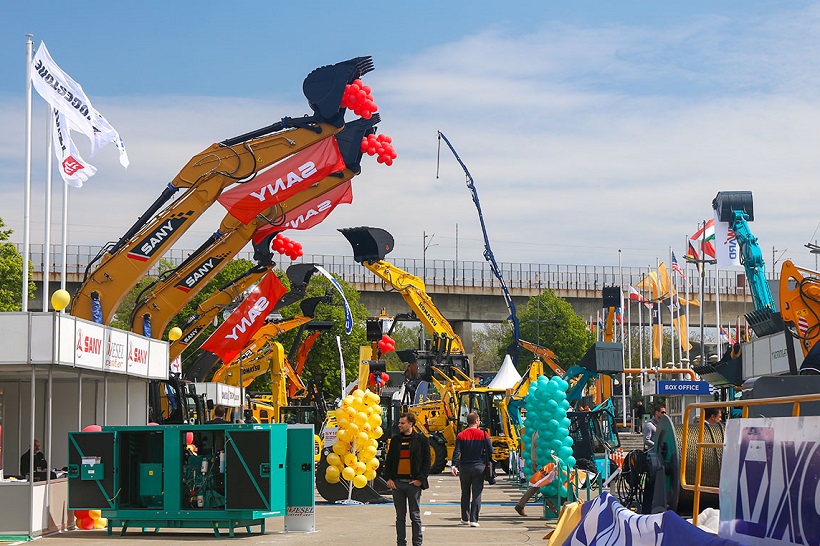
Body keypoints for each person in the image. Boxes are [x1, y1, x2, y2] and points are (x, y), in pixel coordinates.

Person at [384, 412, 431, 546]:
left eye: (402, 423)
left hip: (413, 484)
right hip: (397, 484)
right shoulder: (395, 440)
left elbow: (427, 463)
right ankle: (401, 542)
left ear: (411, 424)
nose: (399, 425)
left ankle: (417, 543)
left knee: (415, 516)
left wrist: (420, 480)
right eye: (399, 423)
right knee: (400, 517)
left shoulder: (421, 440)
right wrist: (389, 479)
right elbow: (389, 461)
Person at [451, 412, 493, 527]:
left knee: (465, 492)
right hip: (479, 467)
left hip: (464, 467)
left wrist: (454, 465)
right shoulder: (484, 434)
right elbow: (491, 451)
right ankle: (474, 519)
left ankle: (465, 517)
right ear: (476, 421)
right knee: (477, 493)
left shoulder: (461, 435)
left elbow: (457, 451)